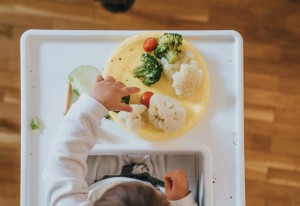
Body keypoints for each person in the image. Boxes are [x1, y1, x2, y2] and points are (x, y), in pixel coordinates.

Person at [43, 75, 199, 206]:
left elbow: (64, 157)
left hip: (97, 178)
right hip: (160, 180)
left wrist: (94, 104)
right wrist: (181, 200)